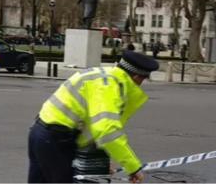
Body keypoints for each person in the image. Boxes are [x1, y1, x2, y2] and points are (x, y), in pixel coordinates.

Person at [28, 50, 159, 183]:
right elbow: (107, 131)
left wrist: (99, 161)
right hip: (55, 140)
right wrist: (133, 167)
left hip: (41, 133)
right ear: (137, 77)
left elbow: (92, 126)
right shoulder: (108, 87)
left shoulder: (103, 75)